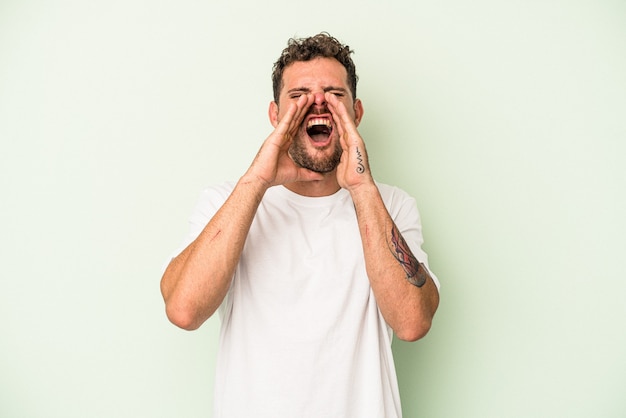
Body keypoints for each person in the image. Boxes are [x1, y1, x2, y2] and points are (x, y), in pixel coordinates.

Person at [160, 32, 440, 418]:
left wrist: (360, 187)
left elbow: (413, 322)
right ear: (275, 115)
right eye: (299, 96)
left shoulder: (390, 204)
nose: (317, 102)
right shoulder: (224, 201)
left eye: (334, 94)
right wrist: (257, 180)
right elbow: (183, 309)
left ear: (356, 114)